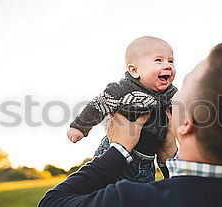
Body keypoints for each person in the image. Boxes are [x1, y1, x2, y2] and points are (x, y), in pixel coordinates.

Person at [38, 43, 222, 207]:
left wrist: (118, 150)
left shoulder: (129, 203)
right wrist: (169, 157)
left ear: (186, 122)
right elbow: (186, 194)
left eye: (185, 85)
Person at [67, 36, 177, 182]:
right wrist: (80, 127)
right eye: (158, 60)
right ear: (134, 70)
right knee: (106, 192)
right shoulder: (123, 89)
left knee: (140, 197)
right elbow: (99, 104)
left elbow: (186, 109)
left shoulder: (171, 93)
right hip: (114, 151)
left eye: (171, 61)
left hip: (147, 161)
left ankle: (172, 177)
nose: (168, 65)